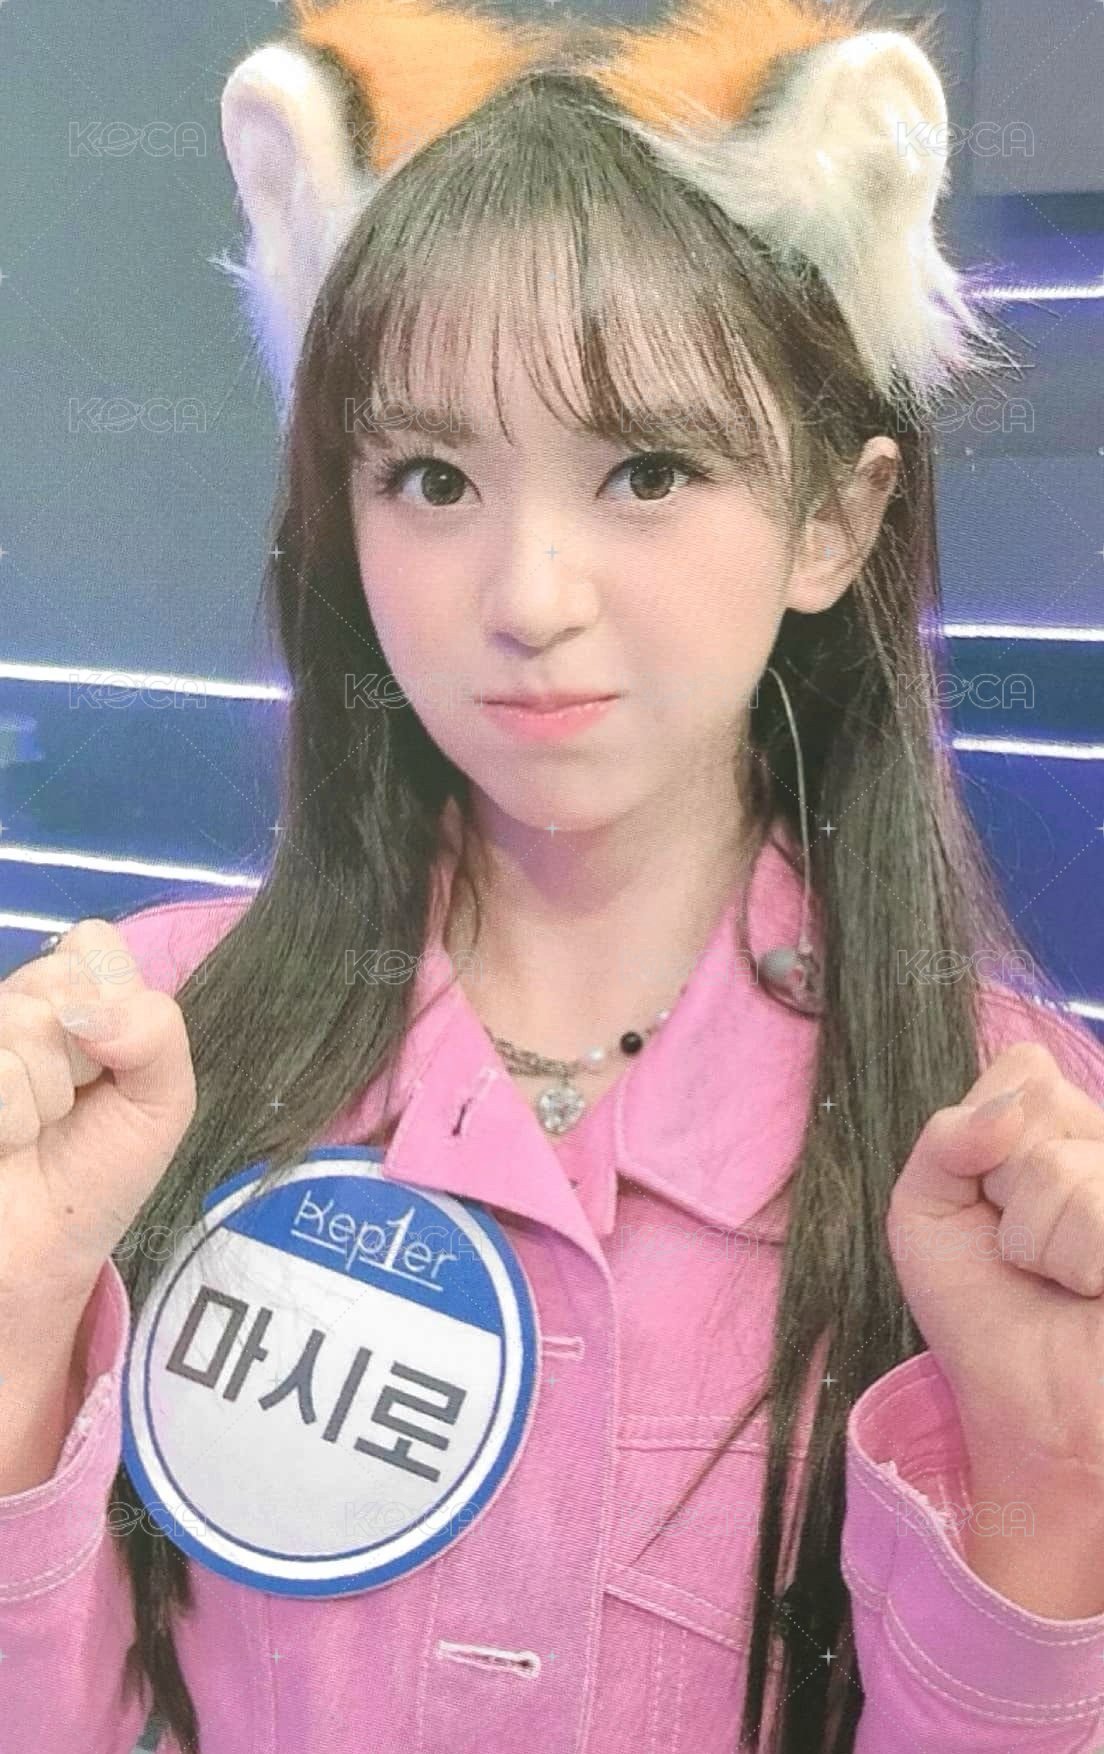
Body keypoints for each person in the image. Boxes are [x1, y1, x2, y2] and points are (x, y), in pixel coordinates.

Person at [3, 2, 1104, 1751]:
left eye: (646, 471)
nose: (528, 595)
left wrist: (1049, 1499)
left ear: (835, 518)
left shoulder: (1010, 1150)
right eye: (432, 476)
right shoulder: (135, 1057)